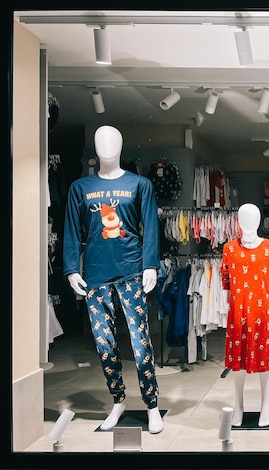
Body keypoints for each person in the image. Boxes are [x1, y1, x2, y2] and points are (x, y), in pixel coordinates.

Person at [63, 125, 163, 434]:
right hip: (95, 275)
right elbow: (71, 230)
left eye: (112, 140)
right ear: (94, 148)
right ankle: (117, 400)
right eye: (100, 141)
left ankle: (152, 404)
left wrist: (151, 265)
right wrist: (71, 268)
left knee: (140, 342)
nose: (106, 146)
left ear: (121, 145)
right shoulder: (80, 187)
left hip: (132, 271)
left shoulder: (140, 184)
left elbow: (149, 226)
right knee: (104, 344)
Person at [220, 203, 269, 427]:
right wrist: (224, 307)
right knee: (237, 360)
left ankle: (265, 403)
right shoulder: (229, 248)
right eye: (243, 218)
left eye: (252, 218)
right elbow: (225, 279)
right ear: (237, 221)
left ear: (259, 221)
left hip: (261, 312)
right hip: (237, 313)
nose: (248, 222)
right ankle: (238, 405)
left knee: (263, 358)